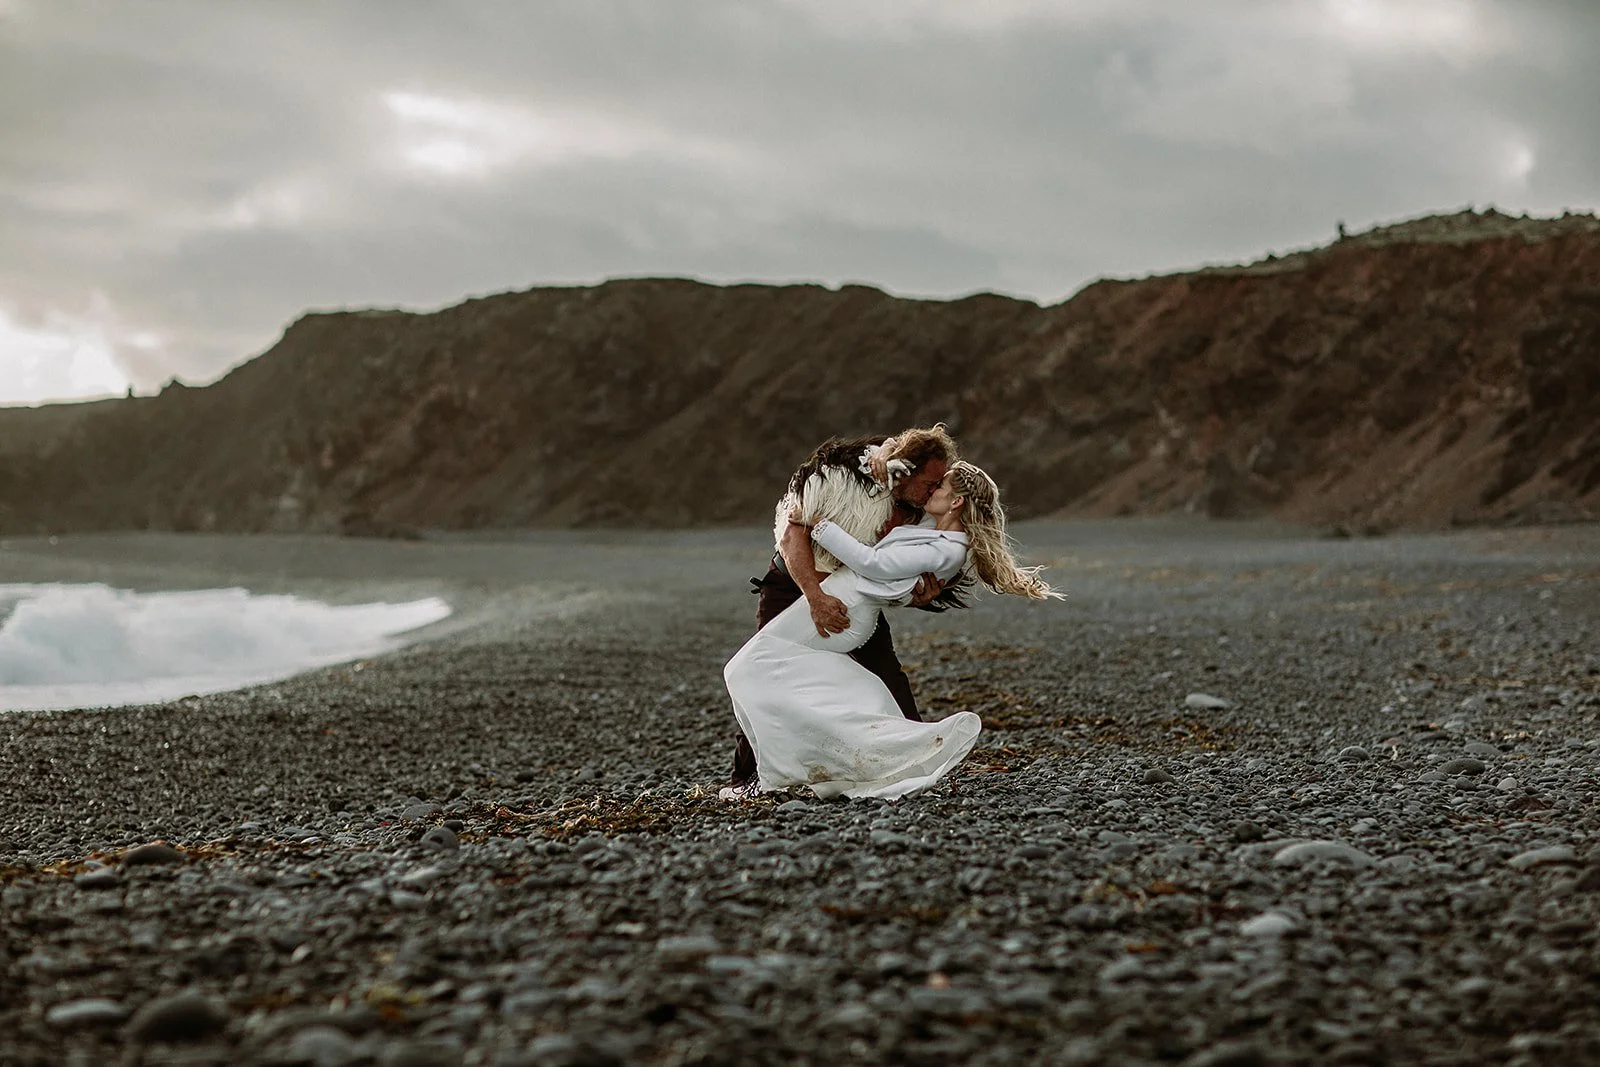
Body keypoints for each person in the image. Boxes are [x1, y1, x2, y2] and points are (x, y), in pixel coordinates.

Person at [723, 461, 1060, 801]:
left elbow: (874, 565)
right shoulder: (933, 529)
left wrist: (818, 525)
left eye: (940, 487)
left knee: (748, 670)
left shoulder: (946, 548)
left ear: (956, 502)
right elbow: (894, 576)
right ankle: (795, 770)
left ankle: (778, 776)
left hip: (845, 609)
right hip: (844, 599)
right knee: (756, 673)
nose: (932, 491)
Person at [728, 426, 962, 793]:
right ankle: (745, 778)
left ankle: (921, 763)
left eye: (938, 486)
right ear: (907, 468)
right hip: (792, 586)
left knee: (887, 675)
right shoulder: (838, 476)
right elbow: (793, 535)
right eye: (930, 483)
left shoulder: (917, 516)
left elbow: (890, 574)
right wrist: (815, 598)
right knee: (764, 670)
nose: (934, 492)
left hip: (853, 600)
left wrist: (916, 597)